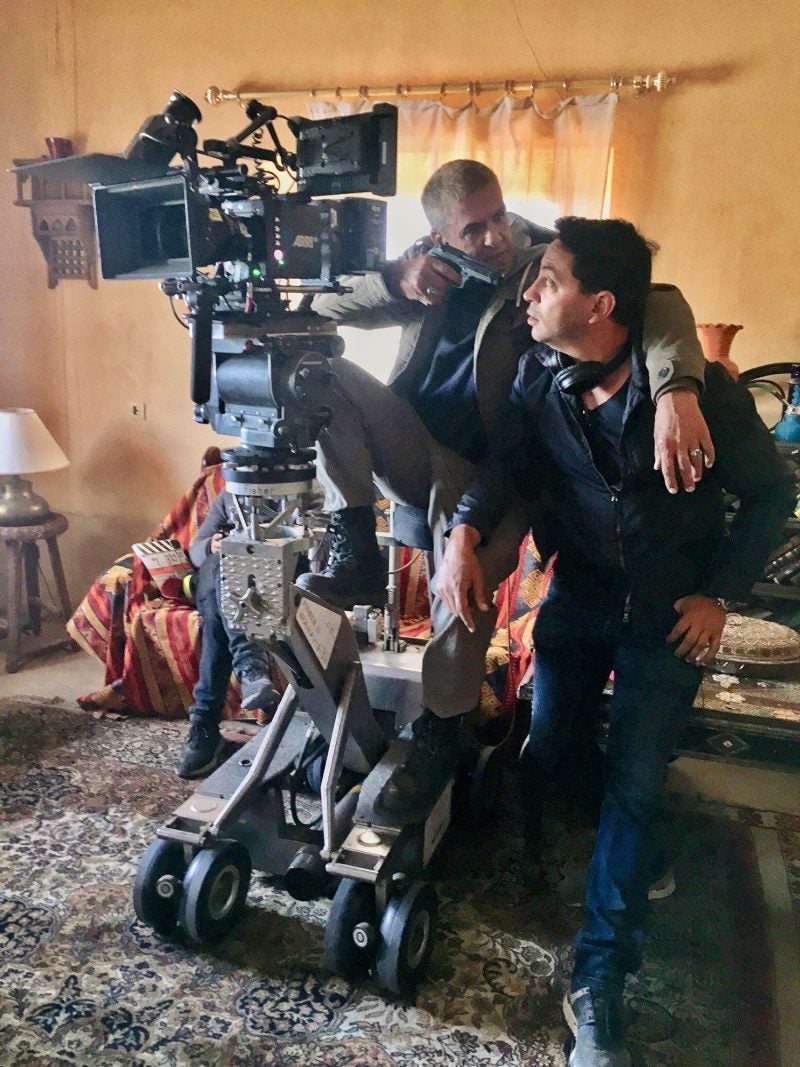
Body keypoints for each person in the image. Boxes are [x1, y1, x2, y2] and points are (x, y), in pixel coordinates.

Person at [438, 216, 795, 1066]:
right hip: (581, 597)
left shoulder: (694, 394)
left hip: (668, 616)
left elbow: (771, 493)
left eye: (548, 282)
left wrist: (720, 594)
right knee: (552, 749)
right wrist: (462, 532)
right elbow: (508, 467)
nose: (529, 295)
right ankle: (644, 853)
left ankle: (599, 980)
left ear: (600, 305)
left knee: (634, 782)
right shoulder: (540, 375)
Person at [302, 159, 713, 823]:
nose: (495, 236)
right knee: (314, 370)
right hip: (415, 442)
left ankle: (440, 731)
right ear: (440, 235)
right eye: (474, 229)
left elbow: (657, 298)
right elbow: (319, 305)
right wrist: (396, 279)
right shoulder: (424, 268)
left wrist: (678, 390)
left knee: (462, 589)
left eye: (499, 215)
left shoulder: (541, 260)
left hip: (499, 466)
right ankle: (352, 542)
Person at [175, 490, 281, 779]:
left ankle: (204, 725)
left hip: (273, 579)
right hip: (218, 581)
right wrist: (212, 544)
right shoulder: (229, 496)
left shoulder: (305, 491)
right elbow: (196, 551)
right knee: (223, 566)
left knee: (218, 621)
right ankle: (251, 669)